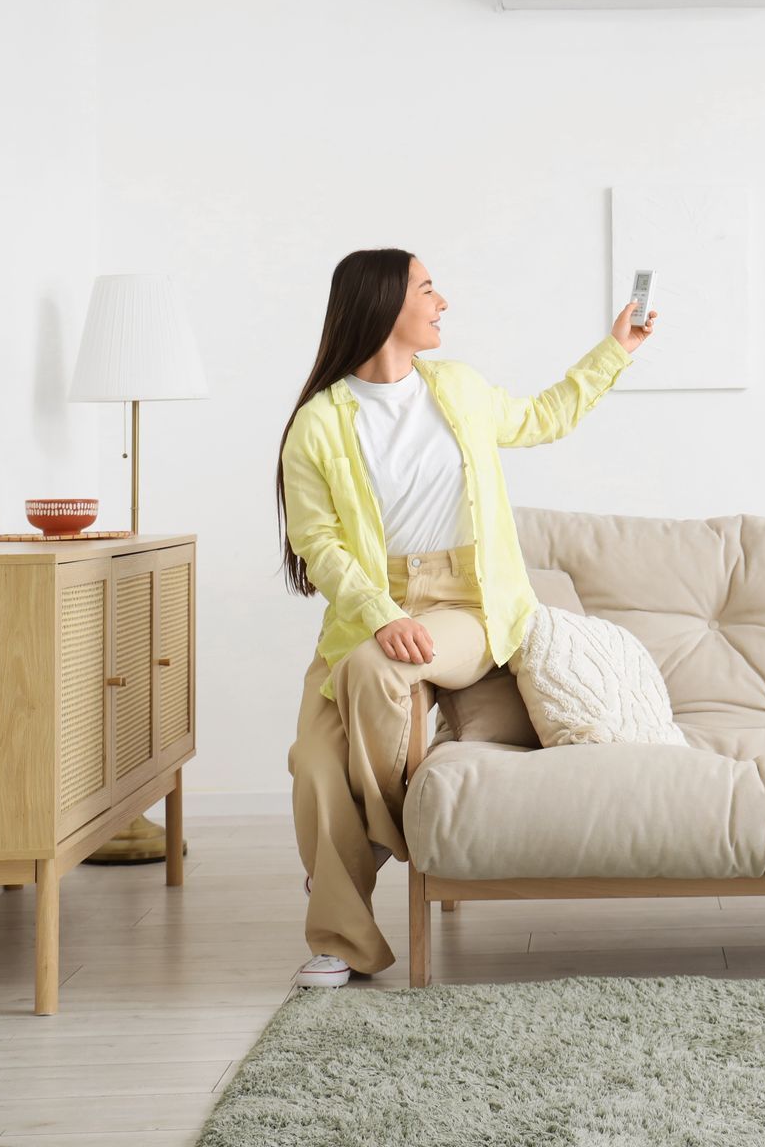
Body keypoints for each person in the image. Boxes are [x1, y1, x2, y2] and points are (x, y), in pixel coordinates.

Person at [273, 248, 656, 987]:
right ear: (385, 305)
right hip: (366, 610)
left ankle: (368, 842)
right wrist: (381, 613)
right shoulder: (317, 426)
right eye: (427, 288)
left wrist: (615, 351)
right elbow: (317, 544)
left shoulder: (458, 388)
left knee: (375, 674)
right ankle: (340, 941)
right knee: (315, 764)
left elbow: (545, 416)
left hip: (467, 602)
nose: (442, 301)